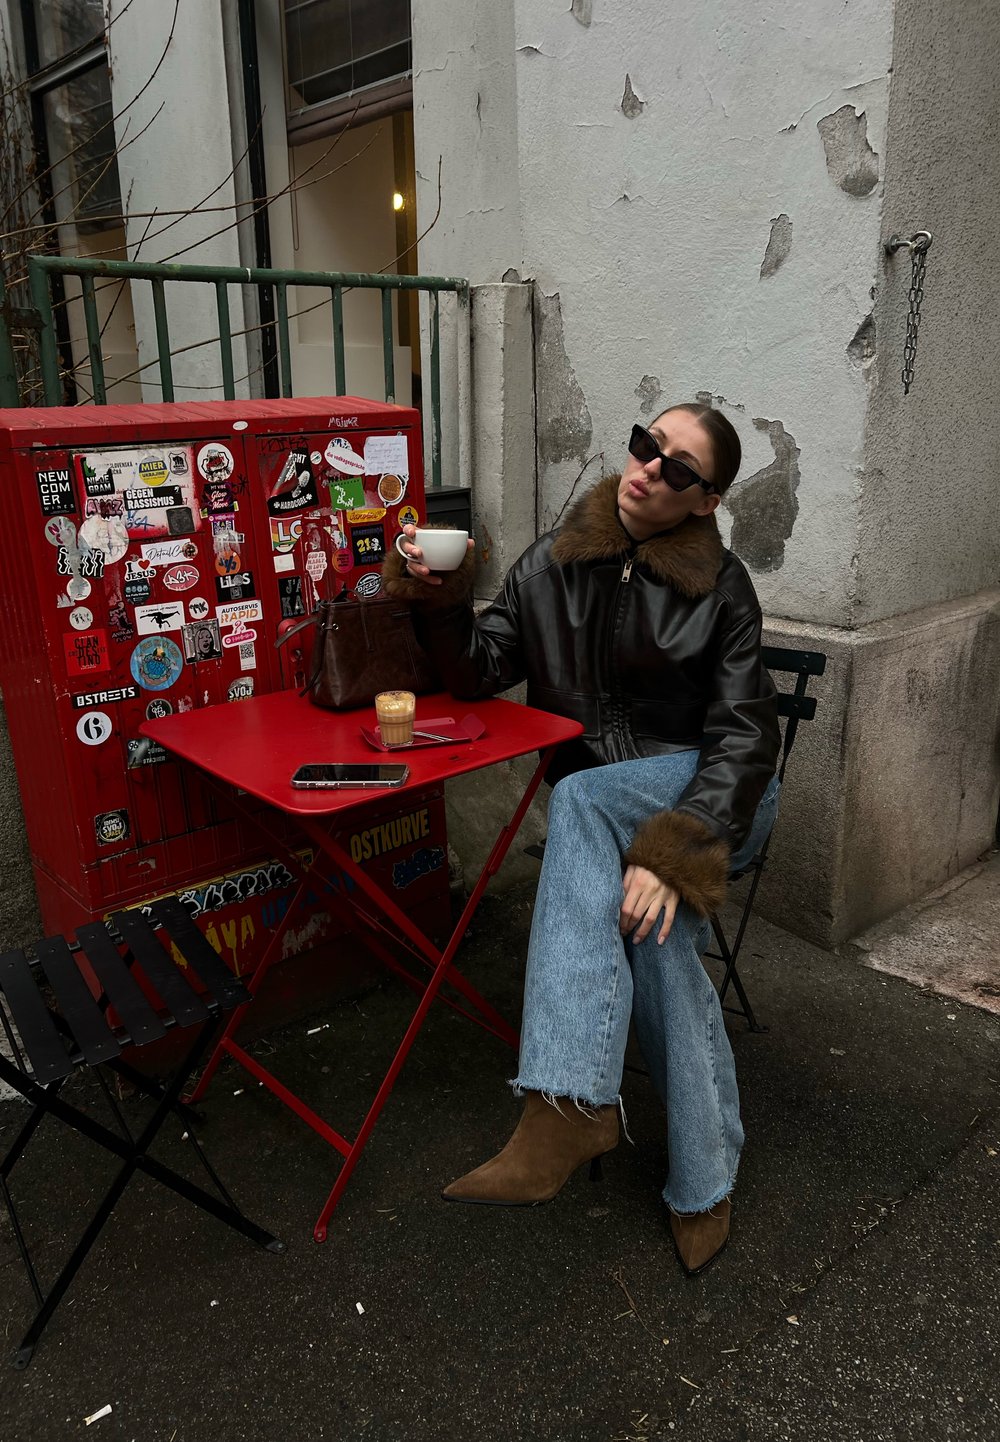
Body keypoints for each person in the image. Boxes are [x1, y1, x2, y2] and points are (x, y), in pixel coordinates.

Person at [385, 402, 780, 1275]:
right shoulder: (555, 562)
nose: (649, 468)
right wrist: (442, 592)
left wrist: (680, 845)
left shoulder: (723, 590)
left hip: (710, 799)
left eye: (679, 468)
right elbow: (480, 671)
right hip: (608, 824)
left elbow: (749, 739)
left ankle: (565, 1108)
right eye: (648, 445)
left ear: (706, 499)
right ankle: (703, 1181)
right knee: (655, 934)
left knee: (582, 801)